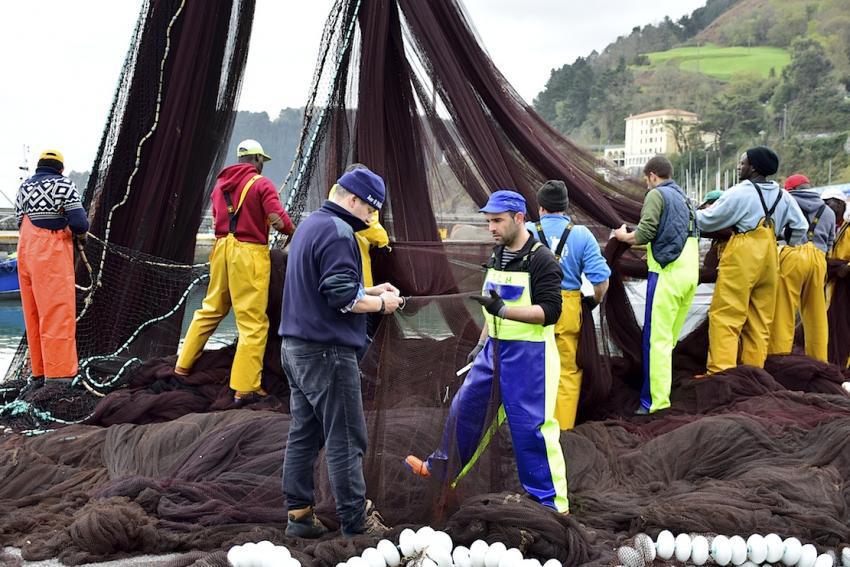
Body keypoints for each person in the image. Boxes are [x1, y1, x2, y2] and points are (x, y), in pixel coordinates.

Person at [405, 190, 569, 514]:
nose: (491, 227)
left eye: (497, 220)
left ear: (519, 218)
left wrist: (505, 311)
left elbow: (550, 312)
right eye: (488, 221)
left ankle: (552, 505)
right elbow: (490, 308)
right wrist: (481, 344)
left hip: (530, 356)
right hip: (492, 350)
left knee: (530, 431)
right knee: (462, 409)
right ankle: (440, 471)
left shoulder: (542, 260)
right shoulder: (497, 256)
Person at [279, 166, 401, 538]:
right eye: (370, 210)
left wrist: (373, 290)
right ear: (353, 200)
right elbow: (342, 297)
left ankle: (298, 517)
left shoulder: (311, 225)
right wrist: (383, 306)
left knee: (304, 433)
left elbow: (328, 287)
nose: (370, 219)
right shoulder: (340, 233)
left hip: (295, 349)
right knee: (347, 437)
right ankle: (356, 523)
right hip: (326, 354)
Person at [175, 140, 293, 405]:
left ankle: (182, 365)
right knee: (253, 322)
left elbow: (219, 218)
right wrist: (292, 231)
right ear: (258, 160)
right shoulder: (262, 184)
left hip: (222, 250)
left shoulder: (220, 186)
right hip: (248, 253)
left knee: (212, 307)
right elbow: (277, 219)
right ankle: (245, 387)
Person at [696, 147, 808, 374]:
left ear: (753, 167)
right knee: (760, 320)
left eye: (742, 162)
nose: (739, 166)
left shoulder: (740, 192)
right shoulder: (783, 195)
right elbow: (800, 228)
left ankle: (721, 373)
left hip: (743, 254)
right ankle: (753, 373)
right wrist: (786, 242)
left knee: (727, 316)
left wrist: (686, 214)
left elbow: (708, 221)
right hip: (770, 257)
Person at [614, 156, 699, 414]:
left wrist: (623, 237)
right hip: (689, 275)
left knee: (656, 342)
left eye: (646, 180)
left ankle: (655, 403)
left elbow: (647, 230)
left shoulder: (657, 195)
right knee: (669, 340)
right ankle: (664, 392)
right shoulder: (686, 200)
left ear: (652, 176)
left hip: (667, 275)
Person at [525, 180, 610, 429]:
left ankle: (530, 427)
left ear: (540, 207)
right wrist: (594, 300)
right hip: (567, 306)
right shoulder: (581, 234)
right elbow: (601, 281)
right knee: (566, 371)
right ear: (565, 207)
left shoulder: (527, 231)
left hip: (532, 306)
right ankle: (561, 432)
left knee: (530, 365)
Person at [15, 149, 89, 392]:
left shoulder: (24, 187)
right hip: (50, 255)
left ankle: (39, 372)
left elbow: (19, 220)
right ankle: (58, 378)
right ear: (60, 168)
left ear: (38, 167)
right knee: (57, 314)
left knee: (34, 314)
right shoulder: (63, 185)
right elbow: (79, 223)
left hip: (26, 253)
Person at [767, 174, 835, 361]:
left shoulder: (785, 203)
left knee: (784, 309)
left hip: (792, 254)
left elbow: (774, 231)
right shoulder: (827, 211)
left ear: (791, 190)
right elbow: (830, 242)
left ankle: (778, 358)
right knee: (816, 313)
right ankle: (820, 360)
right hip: (819, 259)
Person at [329, 163, 390, 288]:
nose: (369, 215)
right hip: (359, 261)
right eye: (369, 211)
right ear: (353, 199)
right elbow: (378, 236)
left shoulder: (335, 197)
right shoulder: (357, 206)